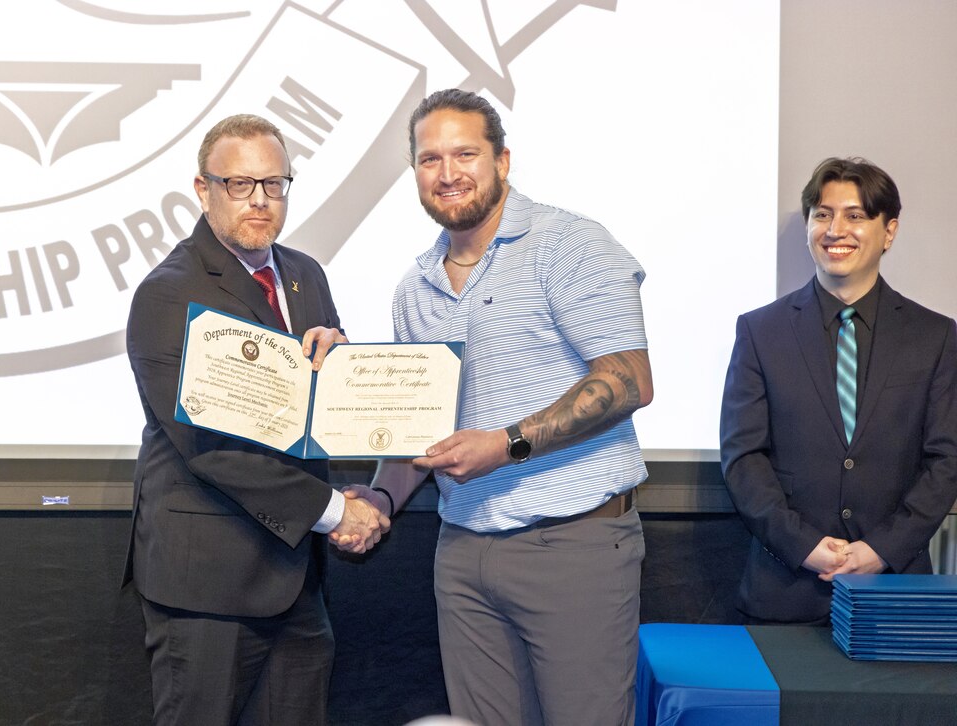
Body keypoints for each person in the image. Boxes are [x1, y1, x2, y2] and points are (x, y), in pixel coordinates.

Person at [337, 89, 653, 726]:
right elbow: (420, 429)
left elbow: (628, 381)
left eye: (465, 154)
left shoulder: (569, 244)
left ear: (502, 160)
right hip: (462, 552)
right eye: (429, 159)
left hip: (573, 544)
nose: (447, 173)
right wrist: (380, 499)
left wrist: (506, 444)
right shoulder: (414, 287)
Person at [123, 113, 389, 725]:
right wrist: (334, 512)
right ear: (204, 189)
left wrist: (340, 372)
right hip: (207, 583)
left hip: (294, 576)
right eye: (240, 184)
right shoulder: (169, 292)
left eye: (274, 183)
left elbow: (305, 418)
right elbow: (208, 445)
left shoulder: (305, 275)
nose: (260, 200)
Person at [720, 157, 957, 625]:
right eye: (823, 214)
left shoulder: (935, 336)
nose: (835, 230)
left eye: (855, 216)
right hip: (784, 592)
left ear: (889, 231)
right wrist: (803, 546)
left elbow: (947, 460)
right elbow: (744, 457)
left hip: (896, 593)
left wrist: (881, 549)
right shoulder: (760, 332)